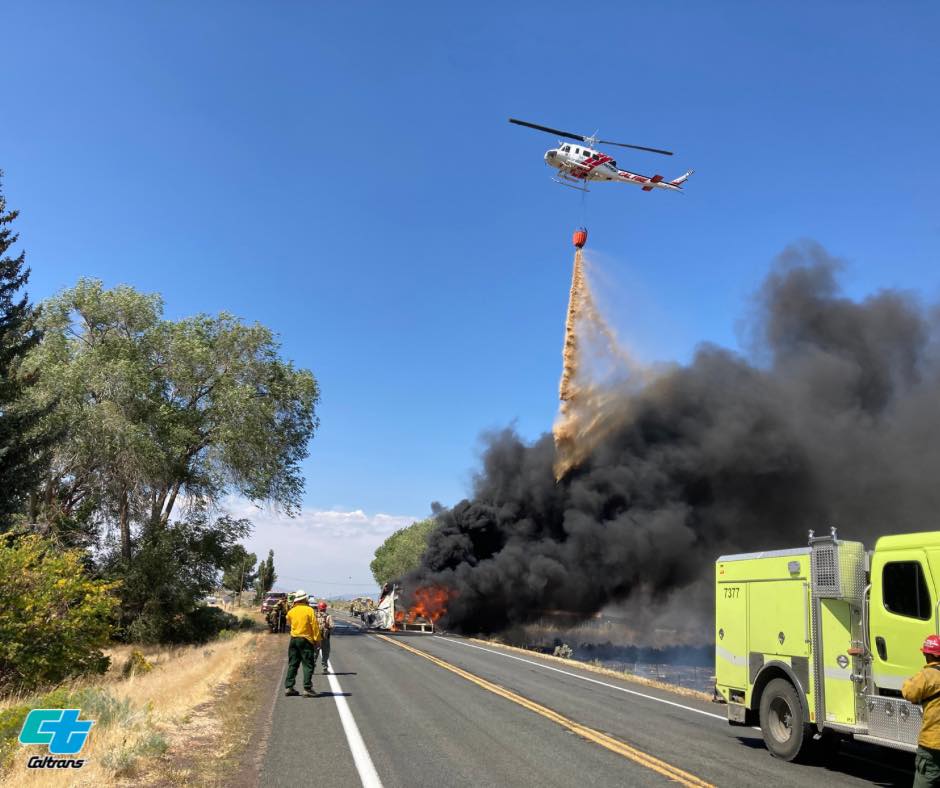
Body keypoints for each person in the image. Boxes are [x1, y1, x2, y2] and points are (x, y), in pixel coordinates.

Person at [902, 634, 940, 787]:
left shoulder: (927, 675)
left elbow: (909, 693)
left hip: (932, 744)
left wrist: (908, 681)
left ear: (928, 654)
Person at [284, 590, 321, 697]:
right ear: (304, 599)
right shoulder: (309, 610)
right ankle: (307, 688)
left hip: (294, 639)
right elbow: (314, 626)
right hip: (306, 640)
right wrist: (317, 640)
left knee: (293, 663)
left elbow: (289, 623)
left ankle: (289, 687)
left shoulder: (291, 611)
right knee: (308, 664)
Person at [314, 601, 334, 674]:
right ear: (325, 608)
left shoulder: (314, 616)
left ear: (318, 608)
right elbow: (332, 626)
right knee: (325, 653)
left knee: (314, 653)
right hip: (325, 638)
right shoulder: (328, 616)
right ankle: (325, 668)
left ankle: (311, 668)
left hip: (316, 638)